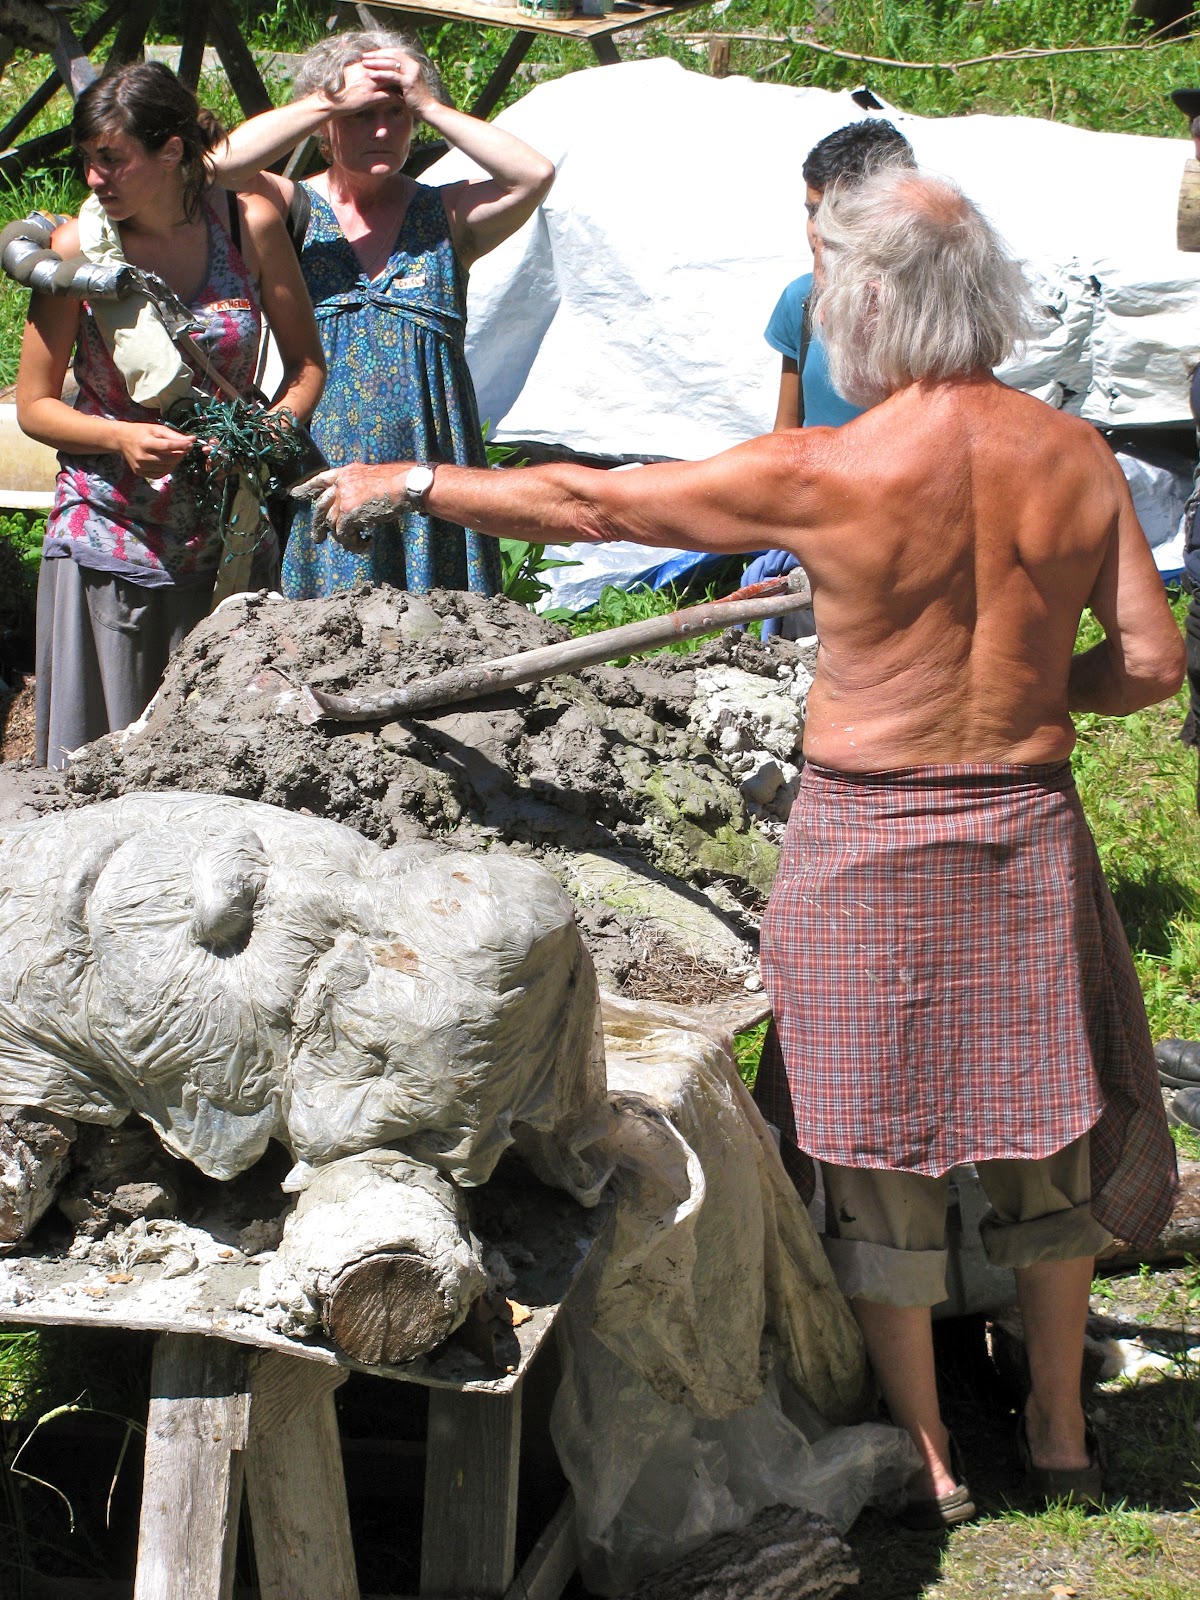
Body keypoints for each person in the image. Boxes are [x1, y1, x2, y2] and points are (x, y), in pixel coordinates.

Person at [303, 167, 1185, 1525]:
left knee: (874, 1142)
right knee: (1043, 1133)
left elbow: (592, 506)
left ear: (872, 298)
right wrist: (1029, 691)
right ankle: (1062, 1433)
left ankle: (931, 1453)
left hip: (870, 837)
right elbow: (1150, 664)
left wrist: (412, 476)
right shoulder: (1073, 454)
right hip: (1023, 826)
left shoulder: (830, 469)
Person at [16, 61, 324, 772]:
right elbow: (34, 406)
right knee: (99, 763)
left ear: (173, 150)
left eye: (112, 159)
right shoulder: (76, 252)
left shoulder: (248, 226)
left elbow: (307, 367)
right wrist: (119, 436)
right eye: (87, 160)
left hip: (230, 543)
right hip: (108, 539)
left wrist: (275, 429)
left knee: (225, 759)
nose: (94, 178)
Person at [210, 29, 555, 601]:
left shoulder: (444, 216)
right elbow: (217, 167)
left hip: (429, 470)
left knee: (440, 626)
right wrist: (326, 100)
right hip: (324, 468)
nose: (382, 131)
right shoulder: (288, 211)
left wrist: (428, 103)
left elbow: (533, 175)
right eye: (361, 116)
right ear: (326, 128)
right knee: (327, 628)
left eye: (396, 115)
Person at [746, 118, 914, 635]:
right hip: (816, 535)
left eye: (834, 213)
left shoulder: (930, 321)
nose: (818, 230)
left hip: (903, 538)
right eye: (811, 211)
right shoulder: (801, 302)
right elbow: (785, 433)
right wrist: (779, 532)